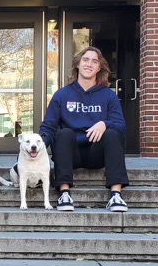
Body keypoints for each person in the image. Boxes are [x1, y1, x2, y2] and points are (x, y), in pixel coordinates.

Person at [39, 46, 129, 212]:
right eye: (85, 60)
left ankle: (116, 195)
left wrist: (105, 124)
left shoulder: (108, 96)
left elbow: (121, 125)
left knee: (113, 133)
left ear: (99, 67)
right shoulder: (62, 95)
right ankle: (64, 193)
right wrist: (34, 151)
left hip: (98, 153)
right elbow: (48, 127)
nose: (89, 64)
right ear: (78, 64)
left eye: (94, 61)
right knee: (63, 133)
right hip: (71, 155)